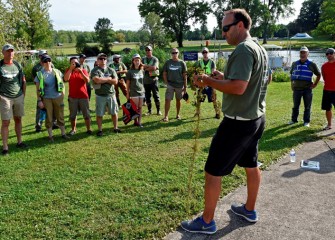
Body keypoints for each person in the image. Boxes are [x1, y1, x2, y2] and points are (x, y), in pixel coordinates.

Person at [181, 9, 270, 234]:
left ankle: (207, 221)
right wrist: (223, 79)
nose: (223, 33)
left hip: (237, 122)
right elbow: (250, 81)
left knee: (213, 172)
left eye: (226, 28)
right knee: (251, 165)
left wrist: (208, 81)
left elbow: (239, 87)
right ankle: (249, 210)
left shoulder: (243, 49)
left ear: (240, 25)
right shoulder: (259, 48)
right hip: (256, 118)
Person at [0, 43, 27, 155]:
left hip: (18, 96)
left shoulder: (17, 64)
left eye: (12, 51)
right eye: (8, 51)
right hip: (5, 97)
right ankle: (5, 147)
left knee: (18, 119)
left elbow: (23, 81)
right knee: (6, 122)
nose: (10, 53)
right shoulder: (0, 66)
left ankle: (19, 142)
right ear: (3, 53)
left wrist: (23, 95)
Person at [35, 55, 69, 142]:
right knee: (49, 118)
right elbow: (38, 89)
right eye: (45, 61)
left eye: (49, 60)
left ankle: (63, 134)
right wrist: (39, 100)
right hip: (46, 99)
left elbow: (62, 84)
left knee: (60, 116)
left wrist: (62, 94)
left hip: (58, 97)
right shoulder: (40, 74)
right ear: (42, 63)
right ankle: (50, 136)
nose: (48, 62)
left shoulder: (57, 71)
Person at [289, 46, 321, 127]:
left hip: (307, 89)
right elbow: (291, 74)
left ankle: (306, 121)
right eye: (301, 52)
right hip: (296, 89)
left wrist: (315, 84)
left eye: (304, 53)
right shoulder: (294, 63)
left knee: (307, 106)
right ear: (299, 53)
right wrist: (292, 85)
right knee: (295, 106)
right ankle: (293, 120)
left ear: (308, 54)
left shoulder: (312, 64)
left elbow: (318, 74)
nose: (302, 54)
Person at [90, 53, 121, 136]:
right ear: (97, 60)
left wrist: (103, 79)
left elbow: (115, 81)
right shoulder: (95, 70)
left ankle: (115, 128)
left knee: (114, 112)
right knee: (99, 114)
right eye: (100, 59)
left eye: (104, 58)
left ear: (106, 60)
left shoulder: (111, 70)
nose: (103, 60)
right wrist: (108, 79)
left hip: (111, 94)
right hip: (100, 95)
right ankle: (100, 130)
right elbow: (97, 80)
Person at [64, 57, 92, 135]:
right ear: (70, 64)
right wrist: (70, 69)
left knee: (86, 114)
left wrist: (81, 72)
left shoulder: (83, 70)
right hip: (72, 96)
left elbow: (87, 81)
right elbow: (66, 79)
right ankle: (73, 129)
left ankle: (88, 129)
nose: (74, 64)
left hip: (83, 96)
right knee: (73, 115)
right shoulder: (68, 71)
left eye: (75, 62)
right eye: (72, 63)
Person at [32, 50, 57, 132]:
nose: (44, 56)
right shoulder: (36, 67)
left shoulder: (51, 64)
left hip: (51, 91)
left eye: (45, 54)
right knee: (40, 109)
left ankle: (53, 123)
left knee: (52, 109)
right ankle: (38, 125)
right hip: (42, 92)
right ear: (39, 57)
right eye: (42, 55)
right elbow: (35, 81)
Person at [194, 47, 221, 119]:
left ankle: (217, 113)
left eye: (206, 52)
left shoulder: (212, 62)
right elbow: (198, 72)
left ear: (208, 53)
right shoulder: (200, 62)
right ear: (202, 53)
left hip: (210, 83)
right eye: (203, 52)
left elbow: (213, 72)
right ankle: (197, 113)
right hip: (202, 83)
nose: (205, 54)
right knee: (199, 98)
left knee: (213, 98)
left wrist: (207, 78)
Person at [162, 48, 187, 122]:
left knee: (178, 100)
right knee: (167, 100)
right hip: (170, 84)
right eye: (173, 53)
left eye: (176, 53)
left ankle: (177, 115)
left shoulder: (182, 63)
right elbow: (164, 73)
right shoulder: (168, 62)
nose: (174, 54)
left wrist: (185, 87)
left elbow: (185, 75)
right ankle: (166, 116)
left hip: (179, 85)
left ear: (178, 53)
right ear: (171, 54)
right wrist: (166, 83)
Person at [126, 54, 145, 127]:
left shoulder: (142, 71)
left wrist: (144, 90)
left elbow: (142, 82)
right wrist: (127, 93)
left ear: (140, 61)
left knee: (140, 107)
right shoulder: (130, 72)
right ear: (133, 61)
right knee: (135, 108)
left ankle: (139, 122)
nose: (137, 62)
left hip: (142, 91)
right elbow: (127, 84)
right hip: (134, 92)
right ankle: (135, 121)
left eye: (138, 60)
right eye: (135, 60)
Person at [142, 46, 161, 116]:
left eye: (149, 50)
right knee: (147, 96)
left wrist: (145, 67)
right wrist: (148, 68)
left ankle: (158, 110)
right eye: (146, 50)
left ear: (151, 51)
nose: (147, 51)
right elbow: (141, 67)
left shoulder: (155, 59)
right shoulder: (143, 59)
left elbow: (154, 68)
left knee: (156, 95)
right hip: (145, 81)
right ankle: (149, 111)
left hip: (154, 80)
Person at [320, 48, 335, 130]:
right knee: (327, 108)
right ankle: (329, 125)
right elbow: (324, 77)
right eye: (327, 53)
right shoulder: (324, 66)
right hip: (327, 90)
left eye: (331, 53)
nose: (329, 55)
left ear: (334, 53)